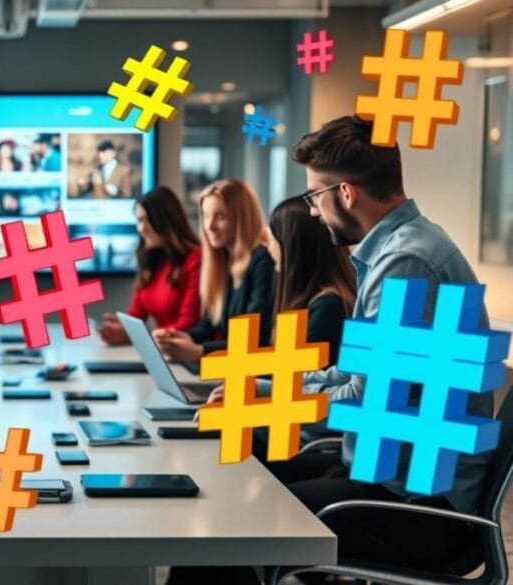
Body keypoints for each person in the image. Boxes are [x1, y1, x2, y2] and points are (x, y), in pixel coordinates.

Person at [178, 116, 492, 584]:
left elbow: (364, 402)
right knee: (235, 478)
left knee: (233, 518)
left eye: (314, 197)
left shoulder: (406, 262)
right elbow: (351, 379)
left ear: (345, 193)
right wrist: (260, 390)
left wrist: (266, 401)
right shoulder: (397, 251)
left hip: (422, 505)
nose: (312, 212)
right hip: (387, 475)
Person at [152, 179, 273, 361]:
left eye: (220, 217)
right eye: (206, 216)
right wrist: (176, 337)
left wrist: (200, 351)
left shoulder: (262, 260)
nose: (209, 226)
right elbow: (208, 326)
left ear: (242, 219)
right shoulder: (224, 260)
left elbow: (254, 339)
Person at [97, 186, 201, 345]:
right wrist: (121, 327)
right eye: (139, 220)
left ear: (166, 221)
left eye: (147, 220)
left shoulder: (195, 260)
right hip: (161, 349)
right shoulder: (151, 261)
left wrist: (135, 336)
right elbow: (136, 316)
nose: (141, 228)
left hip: (183, 352)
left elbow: (188, 325)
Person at [267, 196, 356, 366]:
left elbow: (297, 375)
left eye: (274, 240)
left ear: (295, 245)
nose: (269, 248)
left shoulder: (328, 307)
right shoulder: (319, 301)